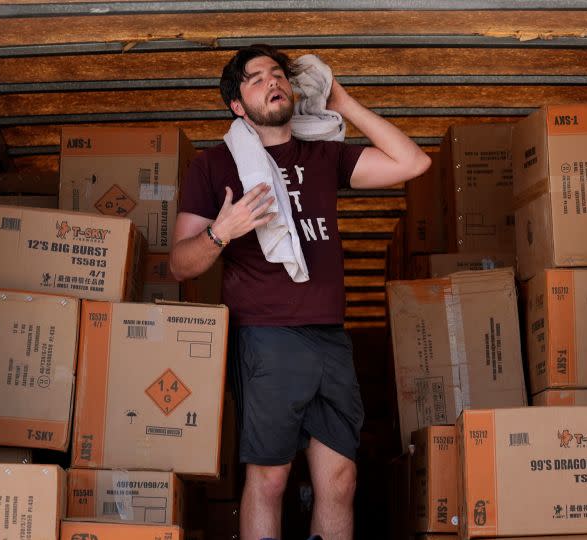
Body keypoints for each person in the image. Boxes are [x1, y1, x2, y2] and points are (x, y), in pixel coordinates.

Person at [169, 44, 430, 540]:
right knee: (270, 478)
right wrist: (222, 232)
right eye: (255, 78)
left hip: (330, 337)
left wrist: (343, 102)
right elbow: (179, 264)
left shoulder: (323, 154)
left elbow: (413, 162)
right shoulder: (216, 167)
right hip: (267, 338)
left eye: (278, 74)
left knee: (340, 478)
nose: (273, 81)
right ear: (237, 106)